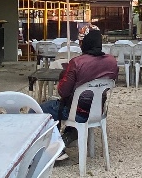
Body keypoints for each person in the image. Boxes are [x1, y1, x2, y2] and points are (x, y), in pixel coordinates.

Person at [41, 29, 117, 160]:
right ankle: (68, 136)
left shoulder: (77, 62)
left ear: (85, 44)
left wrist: (64, 77)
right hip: (98, 110)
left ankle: (55, 148)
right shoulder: (111, 62)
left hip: (75, 111)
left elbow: (63, 92)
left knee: (39, 109)